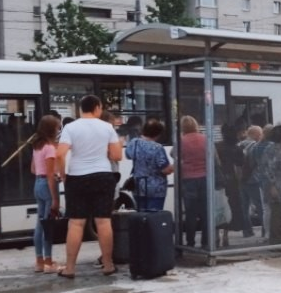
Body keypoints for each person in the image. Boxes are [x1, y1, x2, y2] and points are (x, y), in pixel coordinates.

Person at [54, 95, 122, 278]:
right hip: (103, 176)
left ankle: (69, 268)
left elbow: (60, 155)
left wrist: (63, 175)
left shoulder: (71, 127)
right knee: (103, 221)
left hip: (77, 177)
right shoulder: (107, 127)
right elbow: (116, 156)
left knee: (76, 223)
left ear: (80, 109)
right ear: (97, 107)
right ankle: (108, 265)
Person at [30, 115, 61, 273]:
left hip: (37, 184)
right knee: (48, 225)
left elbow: (33, 169)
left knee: (40, 225)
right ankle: (49, 262)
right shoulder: (49, 148)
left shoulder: (37, 146)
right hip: (47, 185)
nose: (59, 130)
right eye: (57, 127)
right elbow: (50, 174)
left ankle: (39, 262)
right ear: (51, 129)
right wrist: (55, 198)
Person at [124, 119, 174, 212]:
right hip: (156, 189)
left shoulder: (134, 142)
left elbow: (128, 155)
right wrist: (176, 165)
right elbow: (165, 170)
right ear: (158, 134)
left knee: (141, 215)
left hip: (138, 186)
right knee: (153, 217)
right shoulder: (157, 148)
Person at [215, 121, 249, 246]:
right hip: (232, 182)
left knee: (217, 207)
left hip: (217, 181)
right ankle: (225, 235)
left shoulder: (216, 146)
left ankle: (216, 235)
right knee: (229, 208)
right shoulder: (237, 148)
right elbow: (241, 166)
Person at [178, 115, 209, 249]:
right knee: (205, 213)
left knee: (190, 213)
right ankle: (206, 241)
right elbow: (212, 155)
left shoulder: (181, 140)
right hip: (205, 178)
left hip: (188, 179)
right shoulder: (205, 139)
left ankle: (190, 242)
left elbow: (175, 154)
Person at [238, 125, 264, 237]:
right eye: (260, 134)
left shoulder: (239, 145)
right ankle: (265, 230)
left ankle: (247, 231)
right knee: (260, 206)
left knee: (244, 207)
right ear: (256, 135)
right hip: (253, 180)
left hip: (241, 180)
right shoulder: (255, 146)